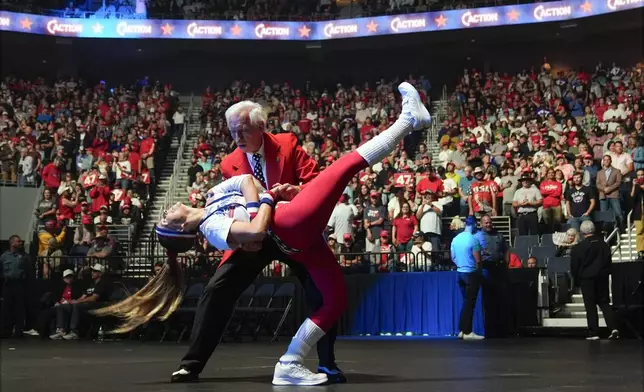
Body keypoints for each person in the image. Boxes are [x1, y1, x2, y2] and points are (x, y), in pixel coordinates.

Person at [95, 82, 431, 385]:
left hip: (291, 224)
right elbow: (245, 214)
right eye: (231, 131)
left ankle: (327, 363)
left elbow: (314, 185)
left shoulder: (286, 143)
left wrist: (292, 191)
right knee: (217, 290)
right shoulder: (229, 164)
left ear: (261, 126)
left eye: (242, 130)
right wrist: (264, 204)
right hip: (255, 234)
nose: (236, 138)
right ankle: (192, 364)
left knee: (321, 294)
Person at [570, 221, 619, 340]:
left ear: (582, 232)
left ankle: (594, 332)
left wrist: (576, 279)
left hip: (587, 278)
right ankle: (614, 328)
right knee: (604, 303)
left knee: (590, 306)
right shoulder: (604, 244)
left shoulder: (578, 247)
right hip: (602, 277)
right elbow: (608, 262)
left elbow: (574, 266)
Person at [475, 214, 510, 337]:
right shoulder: (476, 237)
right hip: (485, 269)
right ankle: (488, 329)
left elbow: (506, 250)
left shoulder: (499, 235)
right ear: (481, 224)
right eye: (486, 223)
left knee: (500, 299)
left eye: (489, 222)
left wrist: (506, 263)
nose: (488, 225)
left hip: (499, 269)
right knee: (487, 300)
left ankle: (501, 329)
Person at [450, 216, 484, 340]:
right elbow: (478, 259)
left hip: (460, 273)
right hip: (471, 274)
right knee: (470, 304)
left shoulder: (455, 239)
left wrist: (461, 264)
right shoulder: (473, 239)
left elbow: (453, 257)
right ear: (474, 225)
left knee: (466, 302)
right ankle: (468, 331)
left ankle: (462, 330)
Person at [0, 235, 31, 338]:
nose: (20, 243)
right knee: (6, 308)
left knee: (19, 308)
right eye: (18, 241)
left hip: (19, 284)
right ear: (12, 243)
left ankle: (18, 330)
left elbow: (27, 269)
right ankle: (5, 330)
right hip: (8, 284)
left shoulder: (23, 256)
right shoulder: (4, 257)